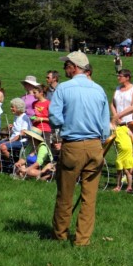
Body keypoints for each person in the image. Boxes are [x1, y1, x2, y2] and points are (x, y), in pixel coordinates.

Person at [49, 51, 111, 246]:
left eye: (66, 65)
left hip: (73, 145)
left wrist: (63, 127)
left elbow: (54, 116)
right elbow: (105, 125)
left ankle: (60, 235)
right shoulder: (99, 90)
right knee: (89, 197)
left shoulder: (63, 88)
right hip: (95, 146)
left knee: (65, 193)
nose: (64, 69)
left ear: (74, 67)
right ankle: (82, 240)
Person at [111, 120, 133, 193]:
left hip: (127, 152)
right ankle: (118, 186)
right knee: (119, 169)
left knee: (128, 170)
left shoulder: (125, 128)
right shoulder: (115, 131)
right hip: (121, 153)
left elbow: (132, 136)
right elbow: (111, 140)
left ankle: (129, 187)